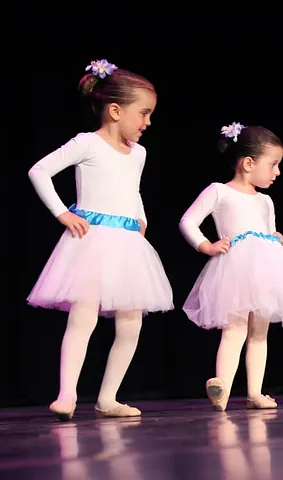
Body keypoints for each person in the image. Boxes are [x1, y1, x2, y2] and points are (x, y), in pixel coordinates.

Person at [27, 59, 174, 419]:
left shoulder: (138, 152)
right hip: (92, 241)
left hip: (126, 242)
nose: (147, 123)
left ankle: (108, 398)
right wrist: (62, 212)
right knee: (83, 315)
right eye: (143, 113)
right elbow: (40, 170)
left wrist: (141, 216)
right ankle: (67, 394)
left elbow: (132, 188)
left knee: (131, 322)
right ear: (114, 110)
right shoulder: (87, 144)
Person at [179, 122, 283, 411]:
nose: (277, 172)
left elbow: (268, 229)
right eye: (273, 164)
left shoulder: (266, 200)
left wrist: (276, 237)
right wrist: (206, 245)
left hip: (266, 269)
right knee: (234, 328)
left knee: (260, 332)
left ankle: (255, 392)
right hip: (235, 268)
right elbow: (188, 221)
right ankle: (221, 387)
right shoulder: (219, 192)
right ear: (249, 163)